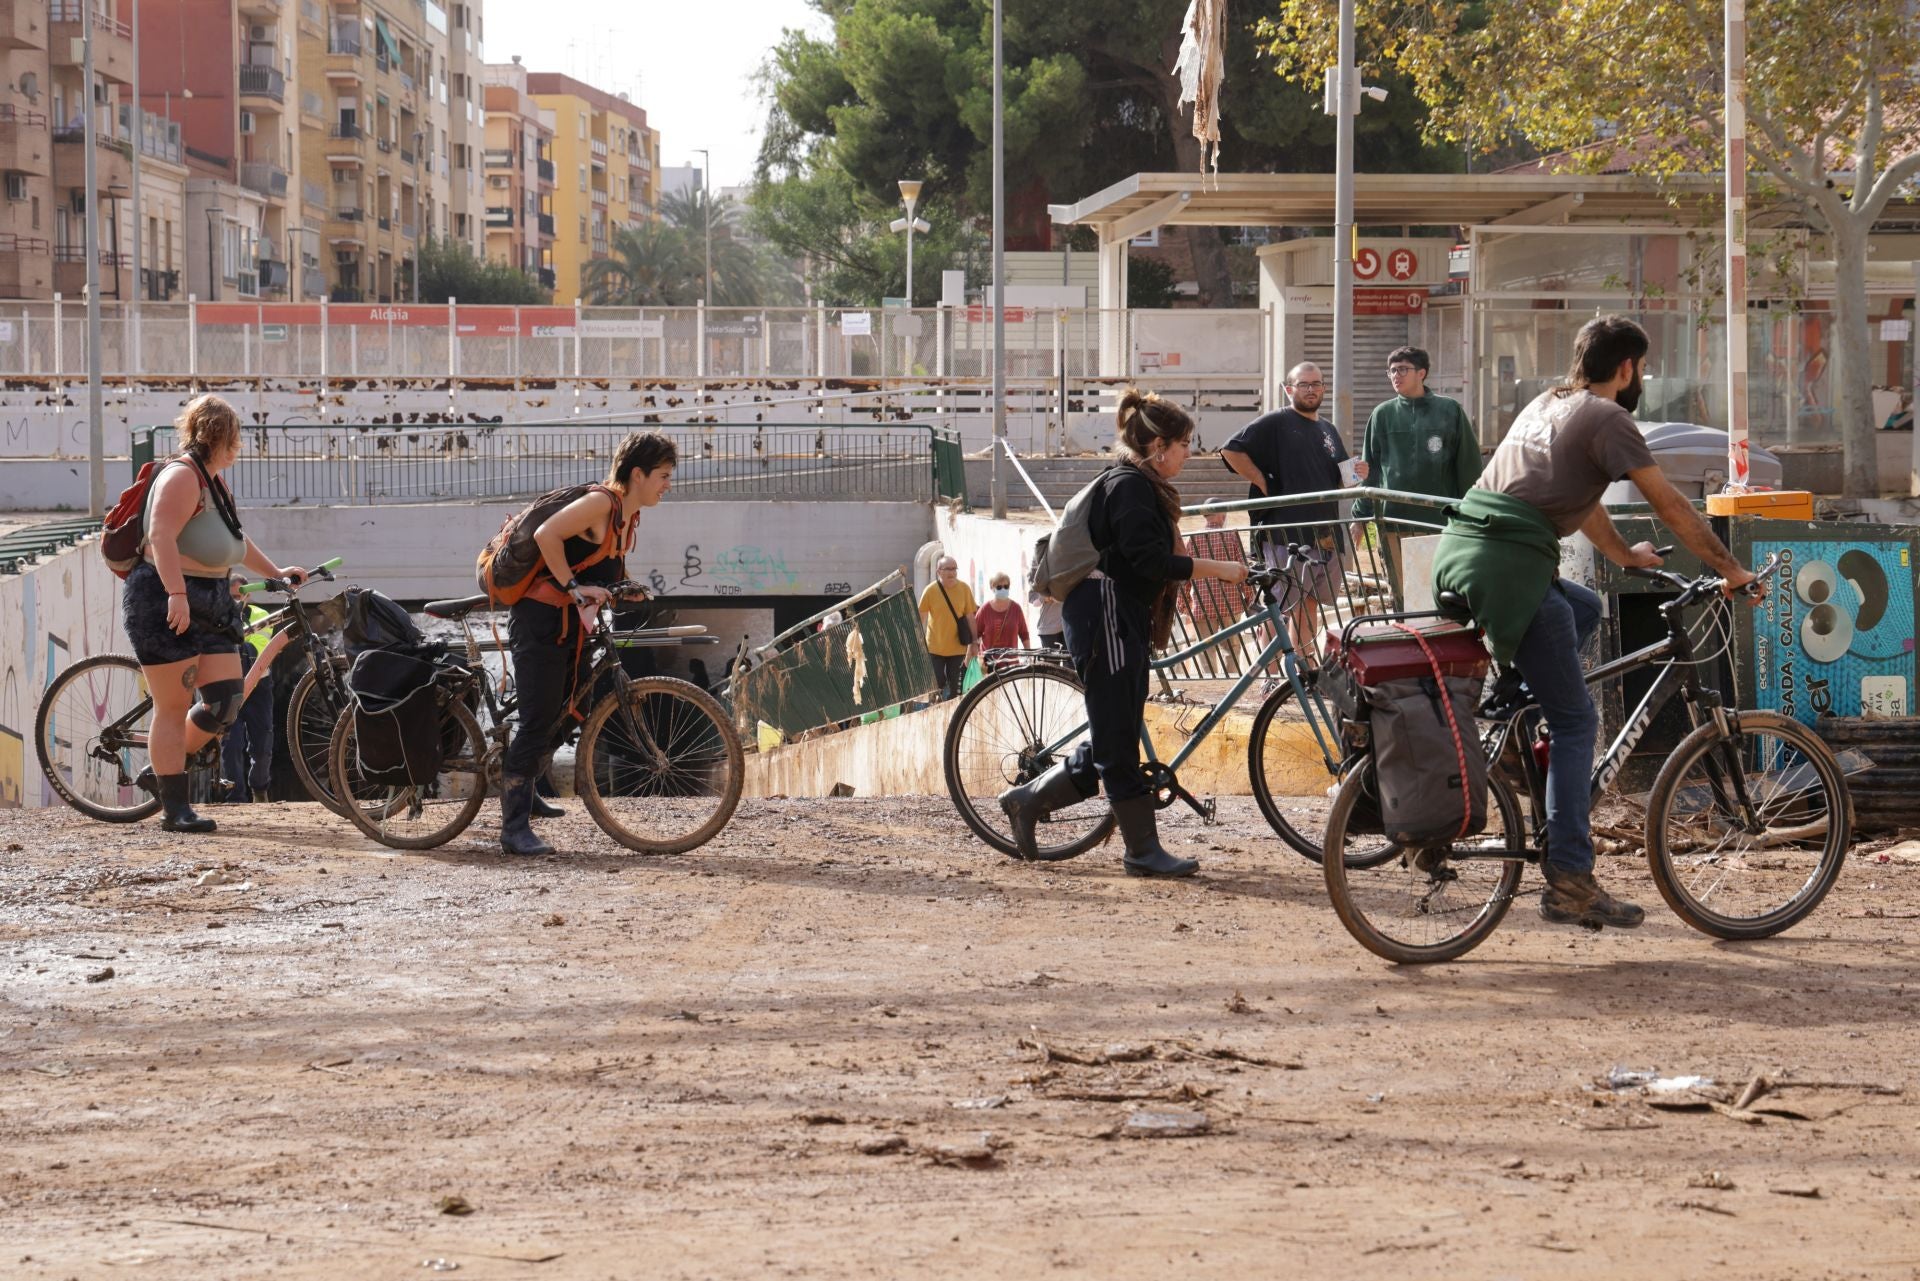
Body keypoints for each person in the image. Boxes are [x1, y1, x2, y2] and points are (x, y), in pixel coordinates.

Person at [1433, 315, 1757, 930]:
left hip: (1467, 550)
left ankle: (1510, 723)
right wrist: (1731, 568)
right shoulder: (1612, 417)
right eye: (1645, 367)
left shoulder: (1548, 402)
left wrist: (1624, 557)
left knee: (1585, 606)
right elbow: (1670, 503)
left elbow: (1576, 501)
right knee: (1578, 721)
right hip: (1509, 566)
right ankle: (1572, 883)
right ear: (1628, 367)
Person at [997, 390, 1249, 877]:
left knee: (1116, 730)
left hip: (1117, 615)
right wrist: (1219, 569)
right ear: (1158, 446)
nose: (1189, 453)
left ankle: (1027, 800)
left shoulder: (1141, 485)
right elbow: (1151, 562)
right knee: (1116, 739)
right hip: (1104, 613)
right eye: (1184, 443)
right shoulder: (1130, 488)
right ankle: (1141, 851)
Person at [123, 394, 307, 833]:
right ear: (217, 436)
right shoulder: (183, 476)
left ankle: (161, 771)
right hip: (167, 595)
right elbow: (160, 536)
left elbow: (237, 546)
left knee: (225, 701)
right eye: (235, 437)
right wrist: (176, 594)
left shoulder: (214, 481)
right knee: (173, 705)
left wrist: (277, 573)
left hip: (213, 597)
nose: (238, 446)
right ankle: (174, 807)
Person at [500, 430, 675, 857]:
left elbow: (602, 561)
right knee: (538, 719)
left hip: (568, 625)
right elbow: (547, 535)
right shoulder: (602, 502)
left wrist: (623, 587)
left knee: (570, 709)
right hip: (540, 621)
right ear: (638, 474)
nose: (668, 484)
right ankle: (513, 827)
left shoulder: (625, 516)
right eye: (664, 475)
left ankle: (528, 791)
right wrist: (574, 587)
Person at [1219, 362, 1368, 660]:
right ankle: (1275, 676)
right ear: (1289, 390)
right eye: (1304, 384)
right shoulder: (1275, 421)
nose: (1311, 390)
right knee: (1286, 607)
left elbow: (1334, 478)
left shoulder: (1327, 429)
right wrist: (1261, 480)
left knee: (1307, 605)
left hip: (1323, 534)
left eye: (1317, 384)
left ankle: (1302, 669)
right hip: (1285, 534)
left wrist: (1355, 472)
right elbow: (1230, 450)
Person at [1355, 346, 1482, 562]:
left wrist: (1471, 516)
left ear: (1421, 373)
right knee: (1399, 590)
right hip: (1393, 522)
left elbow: (1468, 467)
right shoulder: (1382, 414)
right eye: (1392, 371)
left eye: (1402, 369)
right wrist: (1359, 518)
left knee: (1437, 591)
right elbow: (1371, 470)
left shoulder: (1449, 410)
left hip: (1440, 523)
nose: (1396, 376)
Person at [220, 573, 278, 803]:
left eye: (239, 596)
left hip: (258, 686)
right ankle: (235, 797)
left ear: (248, 595)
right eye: (231, 596)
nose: (236, 601)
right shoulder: (218, 617)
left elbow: (258, 649)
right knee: (231, 744)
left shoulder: (261, 616)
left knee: (262, 744)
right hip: (228, 688)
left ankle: (259, 789)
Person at [918, 556, 977, 701]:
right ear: (939, 572)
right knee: (936, 685)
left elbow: (970, 617)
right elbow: (921, 619)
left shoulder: (964, 589)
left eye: (954, 569)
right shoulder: (930, 591)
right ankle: (935, 708)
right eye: (948, 569)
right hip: (934, 648)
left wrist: (974, 642)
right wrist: (918, 645)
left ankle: (952, 716)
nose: (952, 573)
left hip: (958, 648)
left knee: (956, 690)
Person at [973, 572, 1030, 661]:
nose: (1003, 589)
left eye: (1006, 586)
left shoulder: (1016, 608)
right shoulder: (984, 610)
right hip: (989, 664)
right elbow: (974, 634)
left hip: (1011, 663)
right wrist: (974, 656)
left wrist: (1029, 656)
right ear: (992, 588)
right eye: (999, 587)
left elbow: (1024, 634)